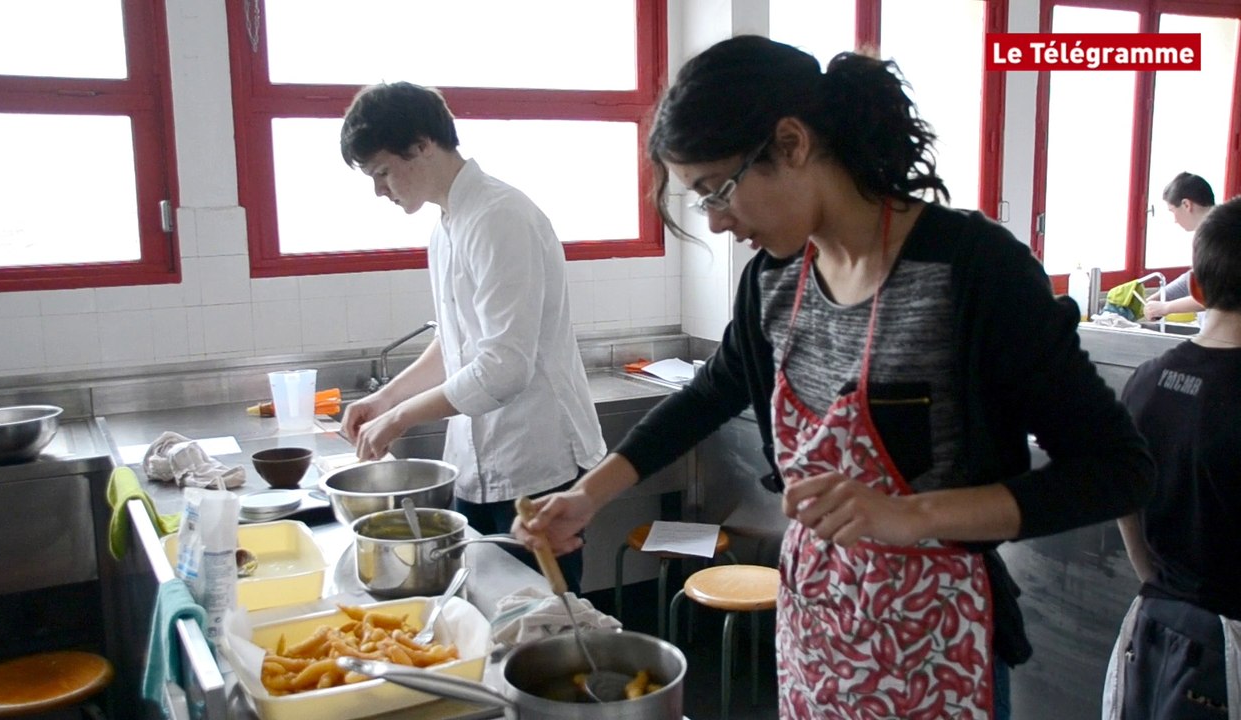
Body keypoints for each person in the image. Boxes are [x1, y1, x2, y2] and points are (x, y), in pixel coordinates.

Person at [514, 36, 1154, 719]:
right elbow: (708, 394)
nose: (719, 222)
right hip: (815, 629)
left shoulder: (972, 271)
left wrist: (911, 515)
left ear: (791, 143)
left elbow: (1118, 472)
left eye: (717, 190)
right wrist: (587, 496)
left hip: (937, 641)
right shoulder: (774, 281)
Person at [338, 81, 606, 592]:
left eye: (382, 172)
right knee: (479, 602)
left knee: (543, 616)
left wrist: (399, 418)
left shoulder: (499, 217)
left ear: (422, 145)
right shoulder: (446, 227)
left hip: (534, 462)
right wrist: (385, 399)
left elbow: (504, 367)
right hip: (475, 465)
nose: (380, 190)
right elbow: (457, 342)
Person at [1105, 196, 1241, 719]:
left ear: (1198, 289)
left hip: (1154, 624)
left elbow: (1125, 501)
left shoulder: (1145, 381)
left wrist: (1161, 582)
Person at [1143, 172, 1215, 321]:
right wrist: (1162, 296)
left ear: (1186, 205)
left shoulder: (1218, 237)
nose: (1175, 220)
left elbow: (1212, 296)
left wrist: (1166, 307)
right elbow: (1196, 278)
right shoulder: (1208, 233)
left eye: (1172, 211)